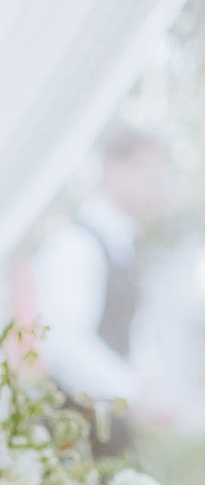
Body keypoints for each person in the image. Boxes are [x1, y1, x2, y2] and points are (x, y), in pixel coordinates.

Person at [31, 126, 170, 454]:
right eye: (146, 170)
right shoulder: (74, 245)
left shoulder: (127, 249)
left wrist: (147, 377)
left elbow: (131, 332)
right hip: (71, 429)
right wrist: (132, 392)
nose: (155, 183)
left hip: (112, 428)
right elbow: (64, 346)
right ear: (112, 168)